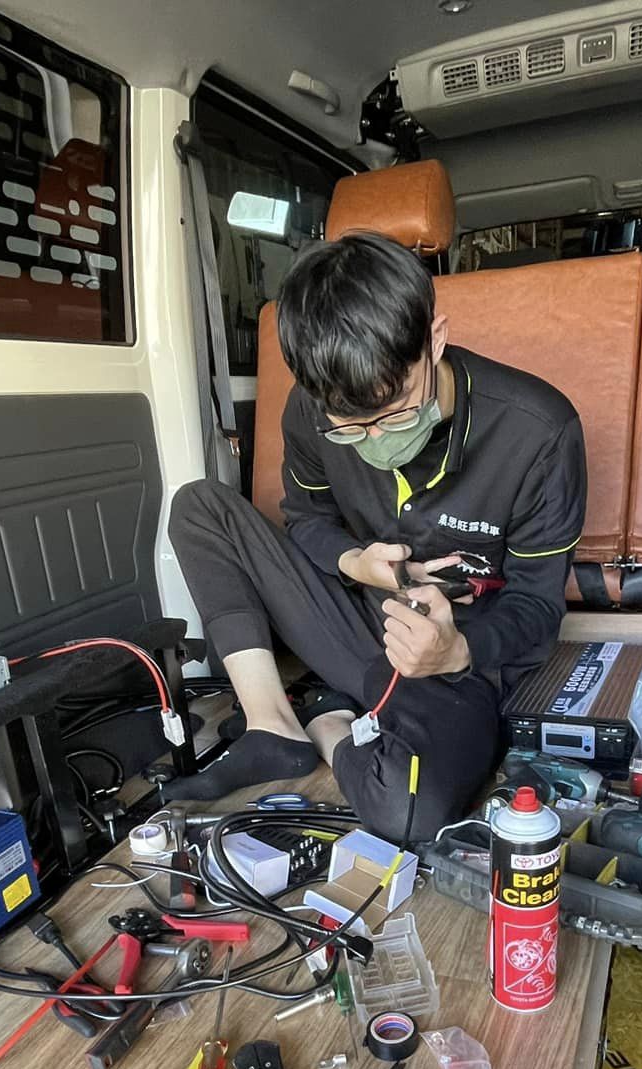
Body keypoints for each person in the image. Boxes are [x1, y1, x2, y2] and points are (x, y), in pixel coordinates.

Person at [162, 231, 586, 841]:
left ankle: (328, 723)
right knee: (199, 506)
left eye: (398, 409)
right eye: (352, 427)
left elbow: (537, 607)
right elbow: (307, 519)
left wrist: (457, 651)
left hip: (453, 655)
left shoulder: (538, 431)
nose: (380, 439)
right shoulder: (310, 408)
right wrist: (354, 562)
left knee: (409, 812)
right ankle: (271, 723)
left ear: (434, 340)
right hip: (353, 617)